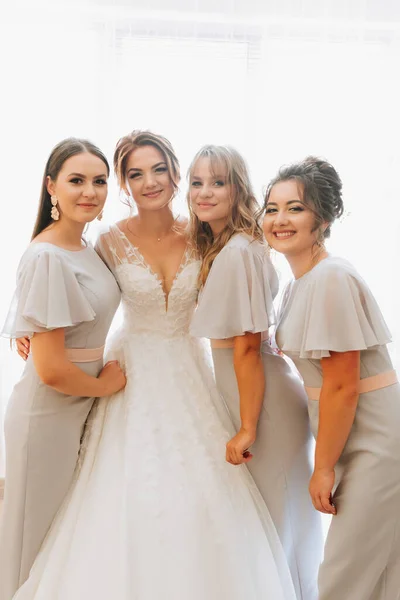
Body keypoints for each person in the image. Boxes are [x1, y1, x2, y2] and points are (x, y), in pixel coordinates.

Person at [11, 131, 296, 600]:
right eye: (136, 174)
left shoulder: (204, 233)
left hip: (189, 368)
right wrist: (32, 328)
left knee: (200, 492)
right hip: (129, 372)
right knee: (128, 488)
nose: (150, 182)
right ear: (123, 183)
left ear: (176, 173)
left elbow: (244, 284)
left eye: (159, 170)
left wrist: (272, 334)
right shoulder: (106, 241)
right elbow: (80, 290)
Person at [262, 156, 400, 600]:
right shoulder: (297, 284)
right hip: (351, 440)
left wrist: (322, 468)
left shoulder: (331, 279)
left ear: (321, 218)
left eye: (295, 208)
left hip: (376, 443)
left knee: (343, 578)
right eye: (271, 208)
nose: (280, 219)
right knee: (380, 577)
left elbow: (342, 384)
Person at [189, 144, 323, 600]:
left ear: (237, 189)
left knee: (277, 522)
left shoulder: (240, 252)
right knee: (270, 523)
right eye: (196, 182)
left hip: (262, 400)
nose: (204, 192)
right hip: (252, 390)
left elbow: (246, 347)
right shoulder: (227, 246)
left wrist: (248, 426)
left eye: (218, 182)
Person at [0, 138, 125, 600]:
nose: (90, 191)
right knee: (30, 545)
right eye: (76, 180)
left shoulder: (85, 247)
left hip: (76, 408)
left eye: (99, 181)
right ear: (51, 186)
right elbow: (50, 370)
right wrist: (105, 386)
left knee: (61, 542)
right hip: (47, 415)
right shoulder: (48, 255)